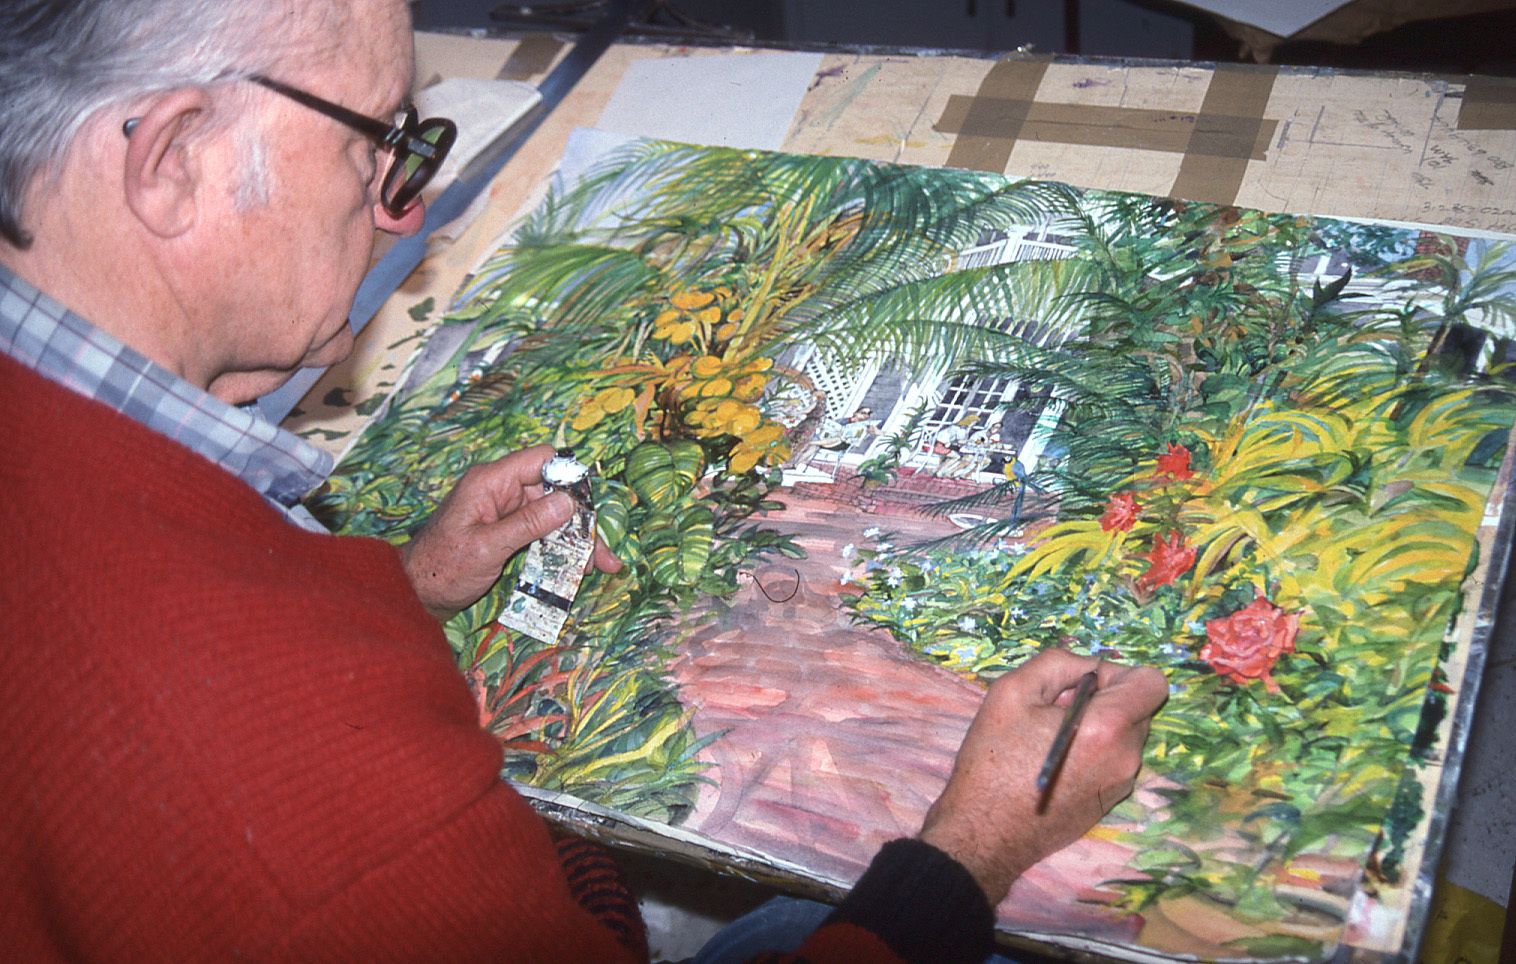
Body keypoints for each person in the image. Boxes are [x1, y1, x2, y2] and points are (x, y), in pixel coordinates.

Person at [0, 2, 1169, 961]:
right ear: (171, 162)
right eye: (378, 144)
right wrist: (967, 856)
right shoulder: (331, 837)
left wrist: (397, 595)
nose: (403, 209)